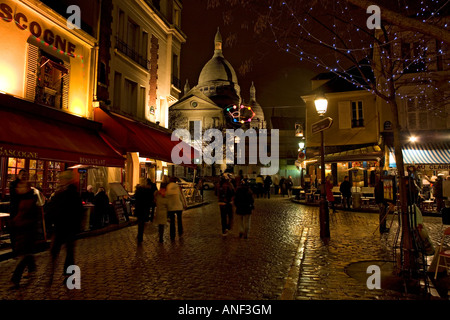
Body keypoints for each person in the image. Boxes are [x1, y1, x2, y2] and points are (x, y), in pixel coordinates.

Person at [46, 170, 83, 285]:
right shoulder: (70, 192)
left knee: (65, 252)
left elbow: (55, 210)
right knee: (64, 252)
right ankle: (62, 275)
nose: (60, 180)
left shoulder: (66, 192)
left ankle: (61, 275)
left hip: (64, 227)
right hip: (65, 227)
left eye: (62, 178)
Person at [9, 170, 41, 288]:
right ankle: (32, 268)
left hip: (27, 228)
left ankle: (15, 279)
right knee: (26, 253)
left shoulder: (31, 196)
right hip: (20, 226)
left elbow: (33, 213)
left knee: (24, 254)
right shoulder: (15, 190)